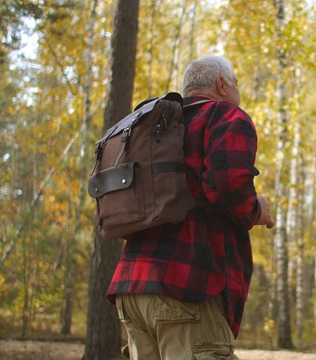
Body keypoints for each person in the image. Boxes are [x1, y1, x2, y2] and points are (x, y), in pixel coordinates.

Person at [107, 55, 275, 360]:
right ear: (222, 85)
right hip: (185, 287)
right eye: (236, 83)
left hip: (131, 286)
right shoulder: (226, 117)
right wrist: (256, 210)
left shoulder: (154, 126)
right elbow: (228, 182)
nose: (238, 91)